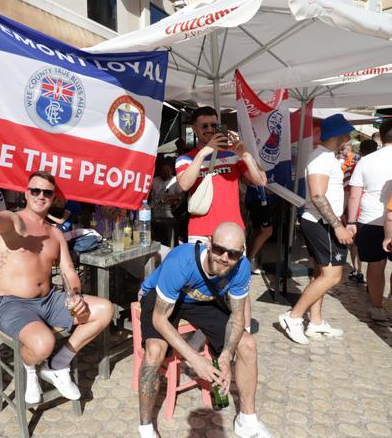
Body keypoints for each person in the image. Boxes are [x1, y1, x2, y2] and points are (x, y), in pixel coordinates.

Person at [0, 171, 112, 404]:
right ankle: (30, 368)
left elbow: (69, 272)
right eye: (35, 190)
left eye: (46, 192)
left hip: (48, 300)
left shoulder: (55, 233)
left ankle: (58, 364)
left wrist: (75, 297)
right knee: (44, 343)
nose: (40, 196)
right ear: (26, 194)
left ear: (53, 198)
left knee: (105, 309)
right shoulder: (14, 221)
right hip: (10, 302)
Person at [137, 222, 272, 438]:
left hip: (199, 301)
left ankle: (247, 421)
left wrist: (227, 355)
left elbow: (237, 316)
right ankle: (145, 427)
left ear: (242, 253)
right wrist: (195, 360)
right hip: (161, 295)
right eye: (219, 249)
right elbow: (160, 319)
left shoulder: (242, 268)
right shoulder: (182, 260)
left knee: (247, 344)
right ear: (209, 243)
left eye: (233, 253)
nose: (224, 257)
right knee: (155, 349)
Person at [279, 114, 354, 345]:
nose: (350, 137)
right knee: (332, 276)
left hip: (322, 221)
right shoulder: (321, 157)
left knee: (321, 274)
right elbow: (318, 196)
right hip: (321, 222)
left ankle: (316, 322)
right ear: (339, 135)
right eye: (347, 133)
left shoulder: (326, 156)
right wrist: (338, 225)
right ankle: (293, 317)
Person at [176, 106, 267, 243]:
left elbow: (261, 181)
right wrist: (204, 152)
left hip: (232, 231)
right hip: (200, 231)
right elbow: (184, 185)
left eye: (214, 125)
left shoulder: (232, 154)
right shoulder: (185, 159)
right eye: (204, 126)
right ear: (194, 129)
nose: (209, 130)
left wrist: (246, 155)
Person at [346, 121, 392, 321]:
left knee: (376, 265)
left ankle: (377, 306)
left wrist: (350, 222)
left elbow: (355, 194)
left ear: (381, 137)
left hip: (369, 219)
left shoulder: (366, 160)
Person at [345, 139, 377, 283]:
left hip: (357, 209)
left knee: (355, 243)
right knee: (375, 247)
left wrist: (343, 213)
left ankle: (357, 270)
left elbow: (348, 191)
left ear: (361, 151)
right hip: (377, 212)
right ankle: (373, 277)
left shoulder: (355, 166)